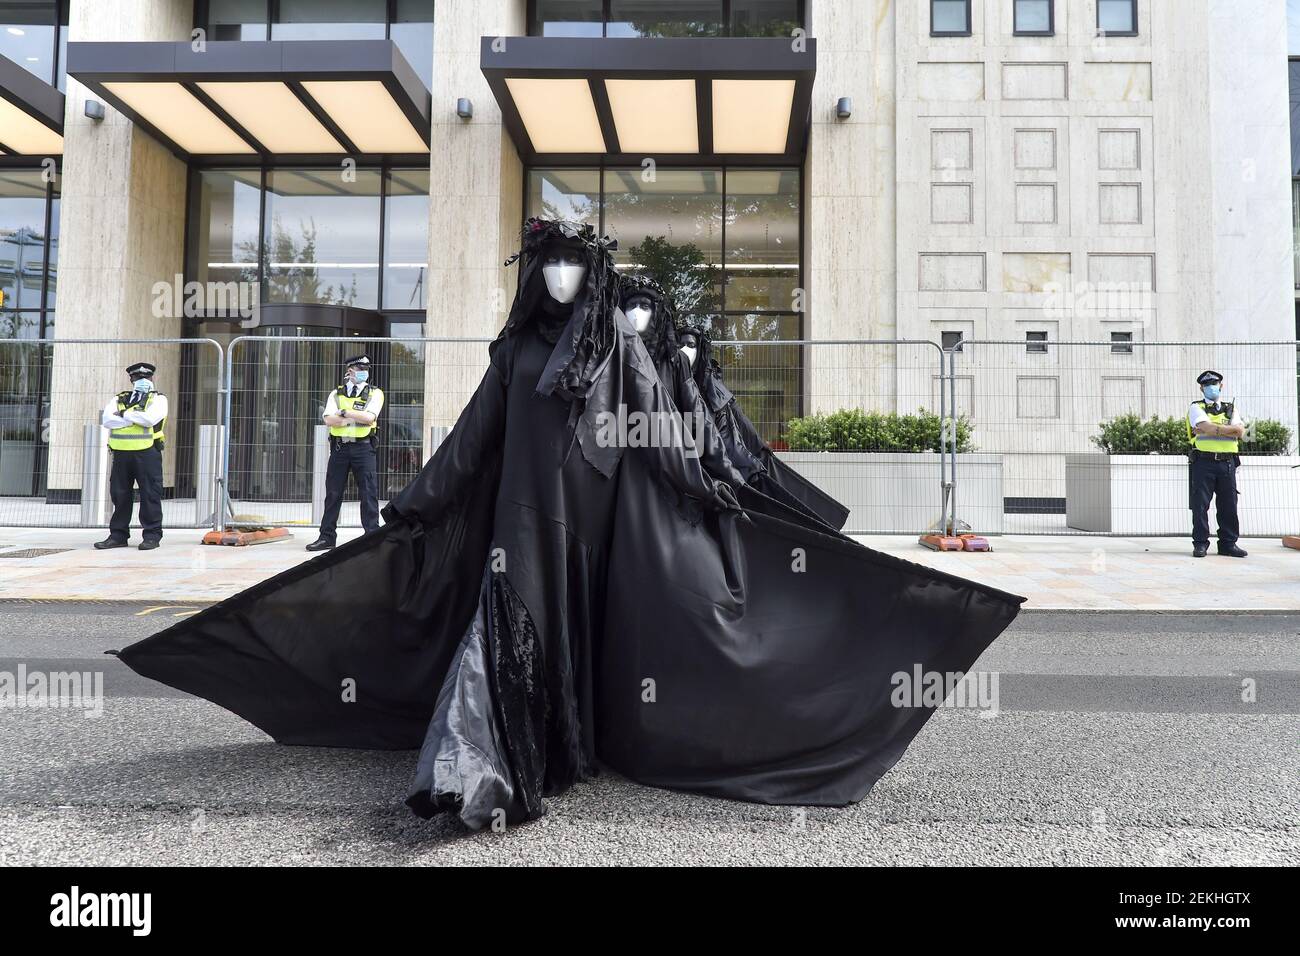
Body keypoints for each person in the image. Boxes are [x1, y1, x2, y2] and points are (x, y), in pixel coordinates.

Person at [112, 219, 1024, 834]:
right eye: (544, 260)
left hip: (596, 533)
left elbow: (659, 438)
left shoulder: (622, 351)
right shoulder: (513, 351)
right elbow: (475, 436)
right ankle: (475, 774)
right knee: (500, 631)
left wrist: (715, 487)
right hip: (517, 523)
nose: (557, 274)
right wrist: (419, 501)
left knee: (588, 639)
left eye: (571, 263)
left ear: (592, 274)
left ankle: (563, 747)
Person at [306, 355, 384, 552]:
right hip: (340, 448)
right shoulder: (336, 393)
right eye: (359, 367)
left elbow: (369, 417)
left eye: (365, 367)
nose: (363, 371)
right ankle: (327, 537)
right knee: (333, 493)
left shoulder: (375, 393)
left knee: (368, 492)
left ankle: (372, 536)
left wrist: (345, 413)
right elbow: (329, 420)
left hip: (363, 448)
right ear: (349, 370)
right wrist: (352, 416)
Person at [95, 361, 167, 551]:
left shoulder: (158, 399)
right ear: (131, 380)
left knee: (150, 494)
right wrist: (135, 418)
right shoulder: (119, 398)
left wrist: (124, 414)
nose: (142, 380)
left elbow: (150, 419)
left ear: (151, 379)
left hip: (148, 452)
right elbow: (108, 420)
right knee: (119, 494)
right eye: (137, 378)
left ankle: (152, 535)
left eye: (146, 377)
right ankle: (117, 535)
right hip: (121, 453)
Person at [1187, 369, 1247, 559]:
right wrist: (1226, 429)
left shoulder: (1232, 408)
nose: (1210, 388)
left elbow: (1240, 432)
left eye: (1214, 384)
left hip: (1227, 463)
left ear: (1221, 386)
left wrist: (1213, 430)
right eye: (1206, 385)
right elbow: (1206, 427)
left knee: (1229, 505)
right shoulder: (1196, 407)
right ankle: (1200, 544)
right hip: (1203, 462)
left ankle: (1228, 544)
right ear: (1201, 388)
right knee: (1200, 505)